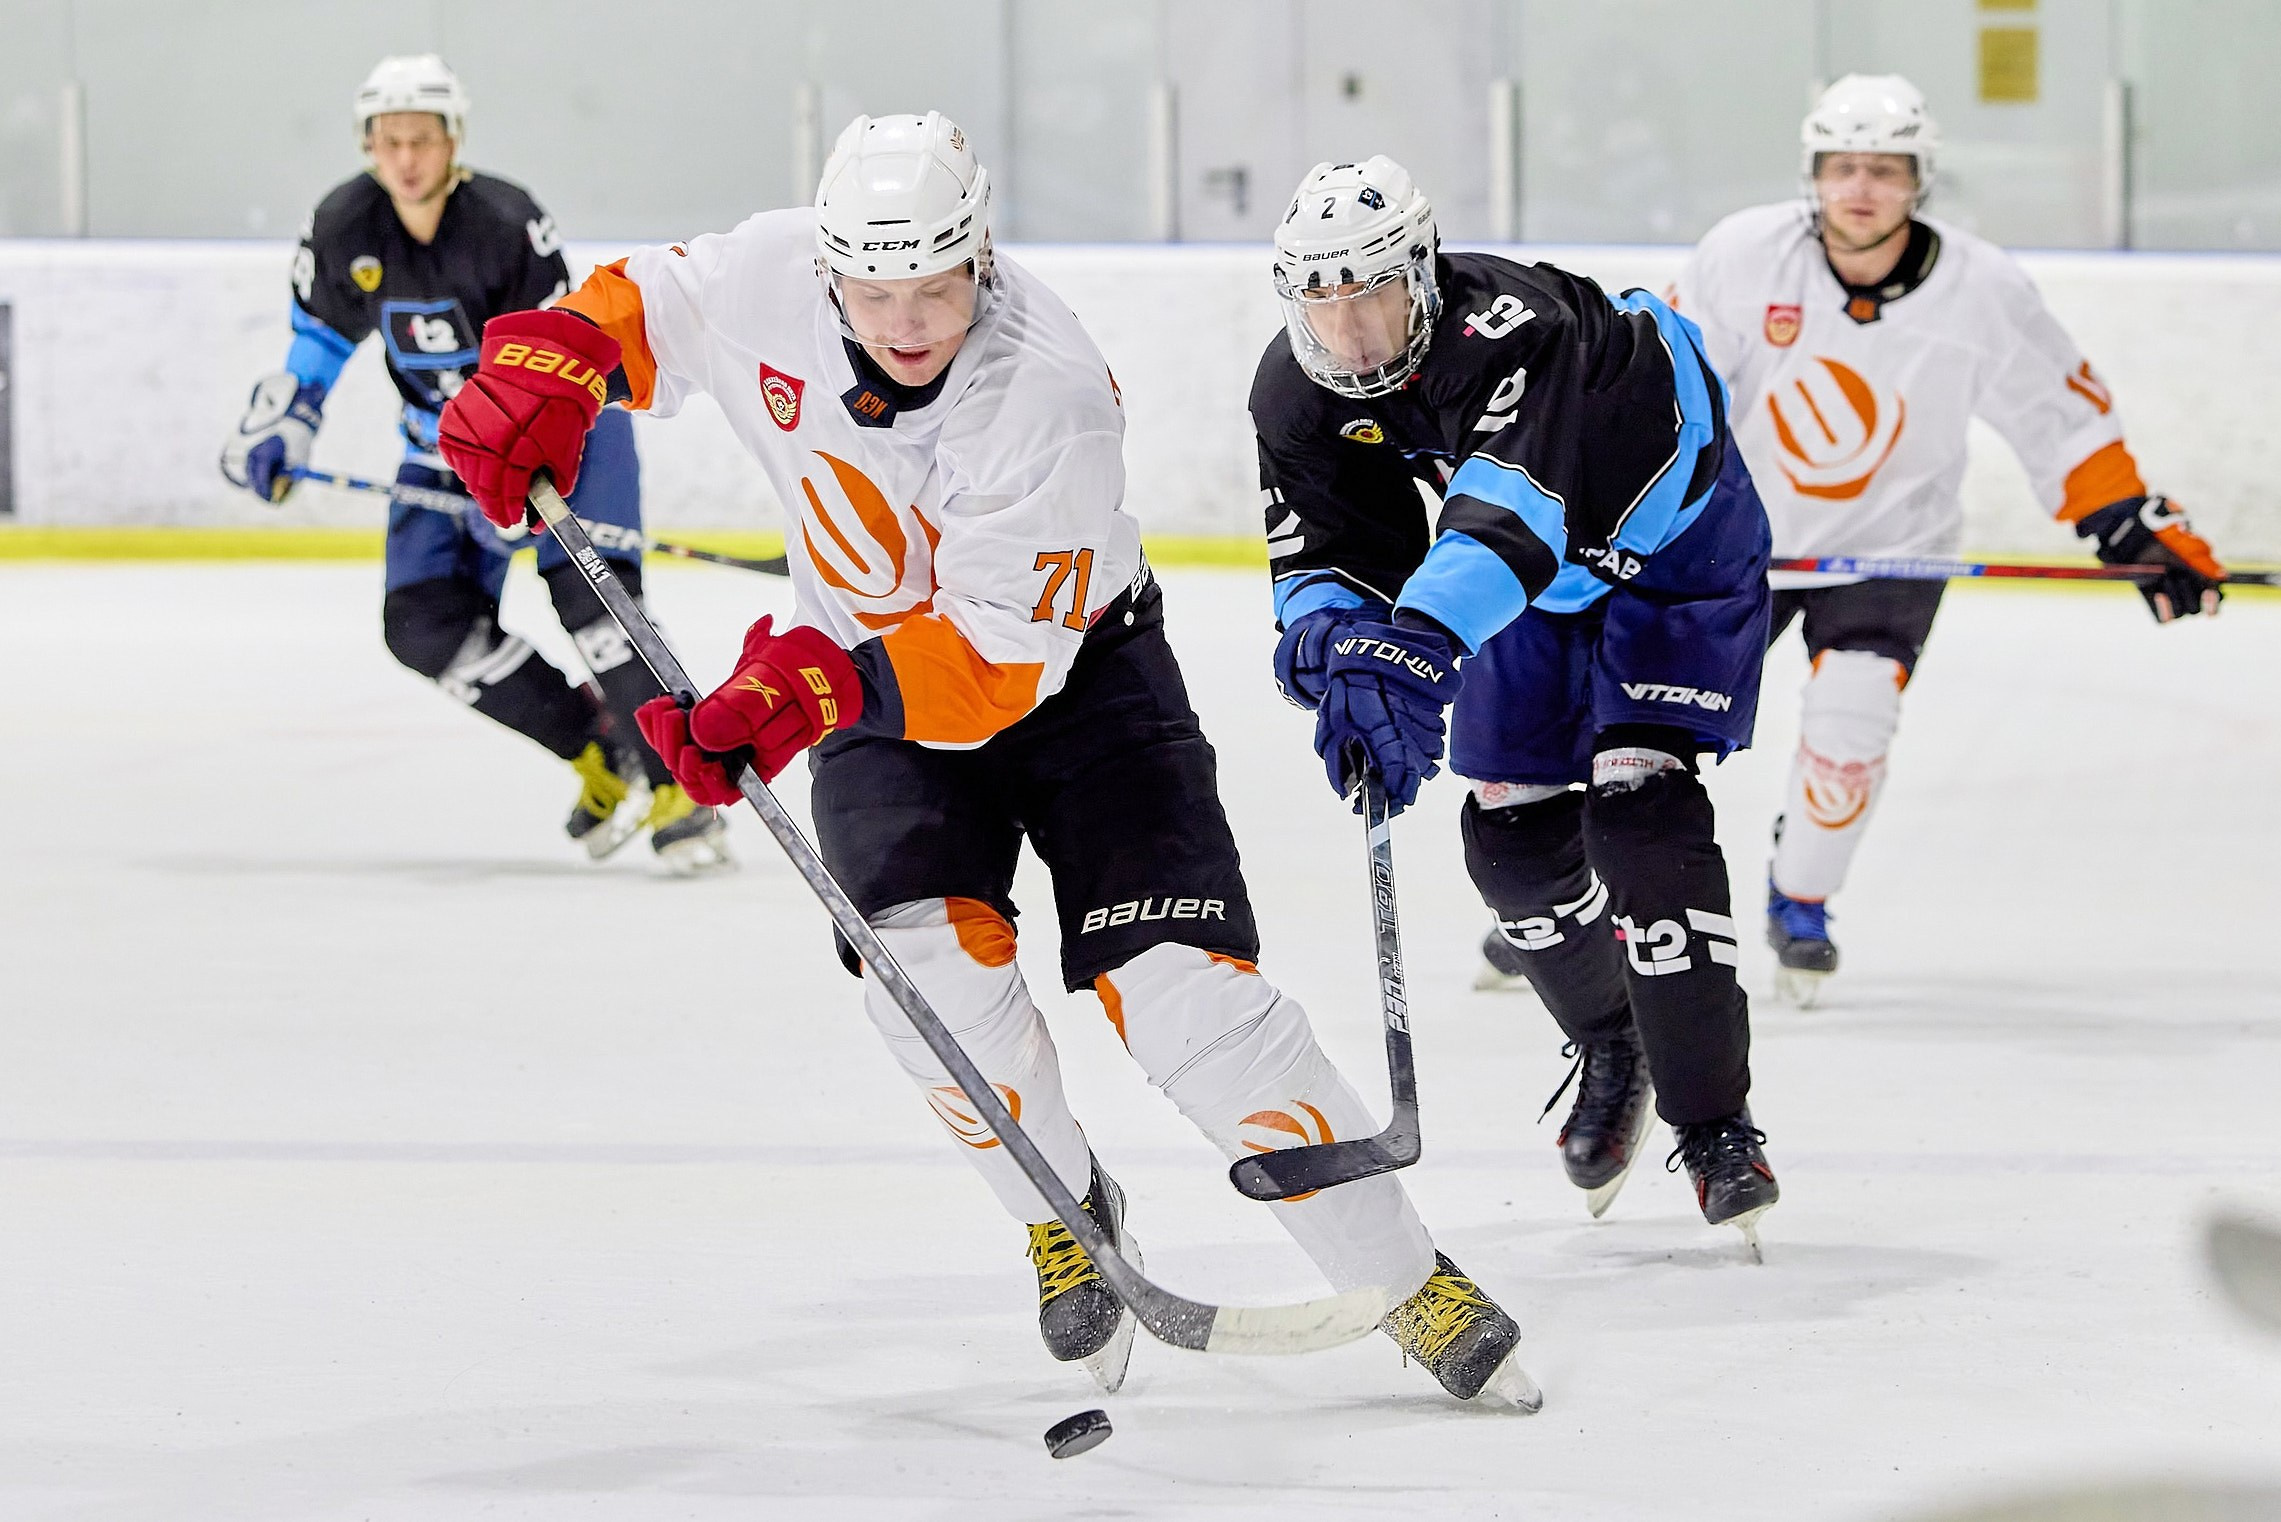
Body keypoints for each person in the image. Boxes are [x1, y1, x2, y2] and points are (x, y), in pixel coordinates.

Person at [432, 112, 1539, 1408]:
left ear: (985, 257)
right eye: (876, 288)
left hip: (1078, 679)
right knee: (924, 980)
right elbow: (645, 305)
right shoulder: (766, 274)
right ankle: (1064, 1208)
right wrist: (557, 358)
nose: (907, 319)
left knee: (1187, 1001)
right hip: (857, 675)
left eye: (938, 286)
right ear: (830, 268)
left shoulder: (1047, 390)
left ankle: (1404, 1275)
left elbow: (991, 672)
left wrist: (800, 691)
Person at [1252, 156, 1778, 1245]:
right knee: (1507, 836)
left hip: (1670, 549)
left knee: (1642, 811)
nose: (1345, 331)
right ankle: (1612, 1040)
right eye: (1320, 300)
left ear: (1423, 274)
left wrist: (1412, 651)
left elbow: (1508, 519)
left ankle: (1716, 1121)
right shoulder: (1295, 385)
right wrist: (1339, 649)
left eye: (1371, 295)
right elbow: (1329, 556)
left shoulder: (1517, 329)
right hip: (1531, 577)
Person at [1666, 75, 2228, 1001]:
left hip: (1891, 552)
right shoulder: (1742, 256)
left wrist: (2131, 525)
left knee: (1850, 734)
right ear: (1813, 172)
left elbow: (2063, 418)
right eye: (1842, 167)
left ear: (1918, 179)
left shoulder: (1981, 288)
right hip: (1740, 543)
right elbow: (1668, 393)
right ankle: (1570, 893)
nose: (1860, 188)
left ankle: (1800, 897)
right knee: (1647, 731)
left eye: (1884, 170)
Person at [219, 54, 728, 872]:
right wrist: (291, 420)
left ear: (452, 142)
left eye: (422, 139)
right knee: (422, 623)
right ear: (369, 145)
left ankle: (681, 783)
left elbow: (559, 358)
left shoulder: (505, 221)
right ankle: (599, 748)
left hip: (566, 441)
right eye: (389, 142)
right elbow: (317, 337)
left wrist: (523, 460)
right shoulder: (344, 225)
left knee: (599, 612)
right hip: (441, 450)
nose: (407, 158)